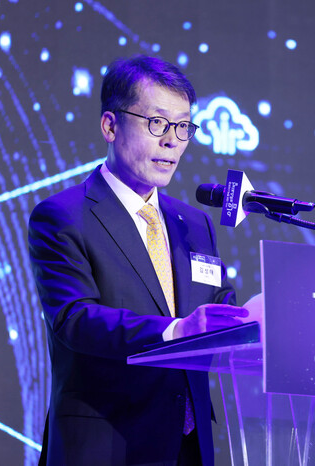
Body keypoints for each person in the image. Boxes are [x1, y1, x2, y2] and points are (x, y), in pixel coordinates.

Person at [28, 55, 248, 465]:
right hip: (107, 443)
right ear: (110, 126)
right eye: (157, 123)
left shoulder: (194, 224)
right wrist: (176, 331)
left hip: (187, 447)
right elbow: (74, 319)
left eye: (183, 127)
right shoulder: (63, 216)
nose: (172, 141)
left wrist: (255, 320)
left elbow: (217, 305)